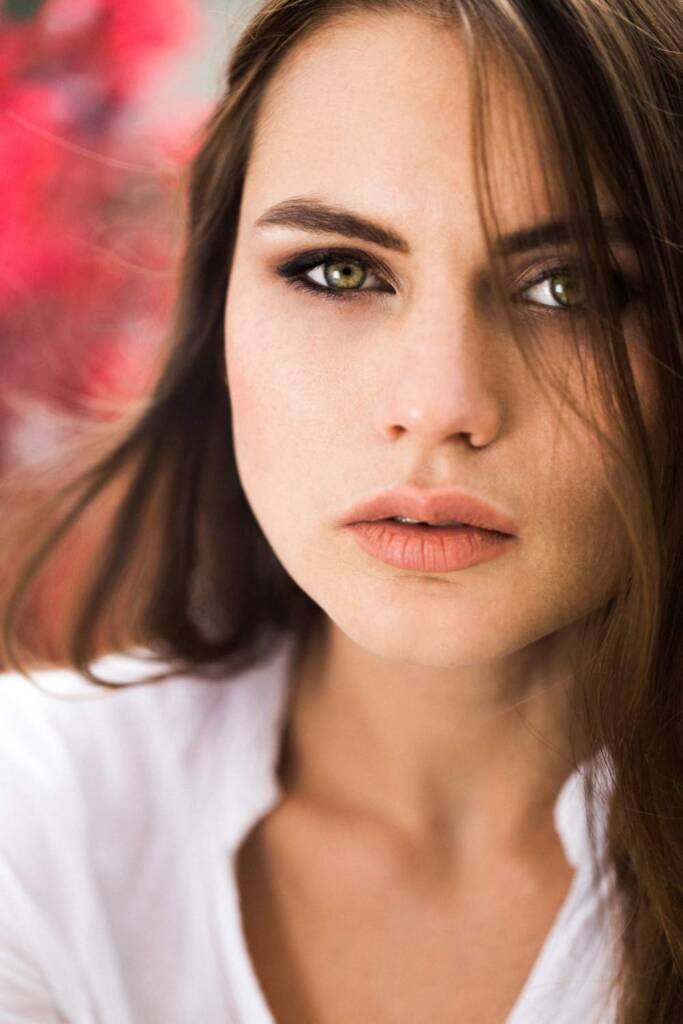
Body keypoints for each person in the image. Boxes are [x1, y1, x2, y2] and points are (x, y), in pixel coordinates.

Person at [0, 1, 680, 1022]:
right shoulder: (33, 826)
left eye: (568, 285)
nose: (437, 404)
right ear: (217, 305)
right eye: (338, 270)